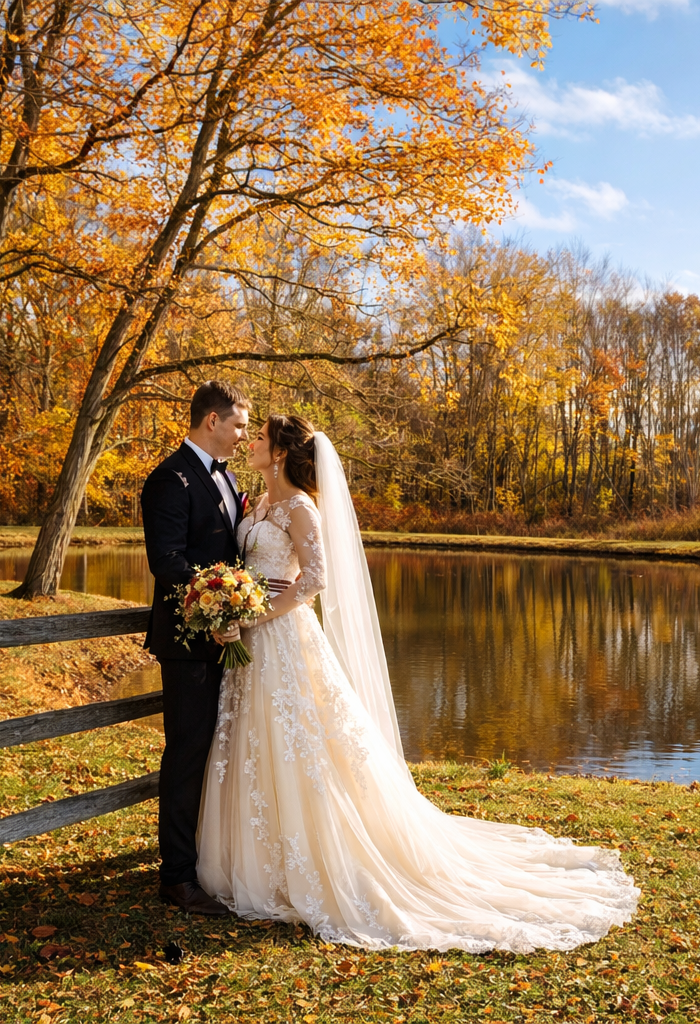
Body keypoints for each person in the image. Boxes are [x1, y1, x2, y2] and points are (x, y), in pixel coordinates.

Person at [195, 413, 639, 951]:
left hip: (283, 636)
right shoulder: (258, 504)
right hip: (253, 643)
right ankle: (258, 857)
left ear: (283, 452)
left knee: (303, 748)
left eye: (261, 438)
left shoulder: (301, 508)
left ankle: (321, 859)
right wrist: (229, 601)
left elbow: (314, 578)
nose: (252, 444)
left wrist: (255, 613)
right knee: (258, 744)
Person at [140, 380, 249, 916]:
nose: (242, 435)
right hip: (187, 644)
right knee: (186, 754)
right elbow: (167, 561)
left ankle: (207, 857)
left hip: (225, 639)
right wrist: (221, 603)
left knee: (219, 752)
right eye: (238, 425)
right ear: (212, 420)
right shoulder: (169, 478)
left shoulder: (227, 479)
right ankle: (177, 877)